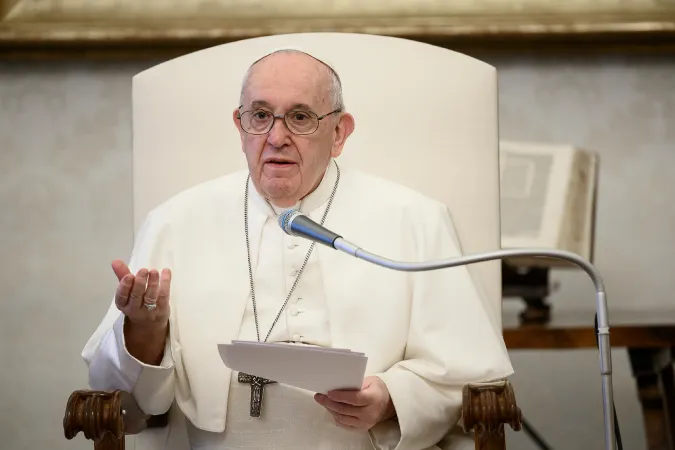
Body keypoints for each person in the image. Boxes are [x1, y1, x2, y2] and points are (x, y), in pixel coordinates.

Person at [82, 48, 513, 450]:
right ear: (239, 125)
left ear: (339, 132)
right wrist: (144, 332)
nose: (276, 136)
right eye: (261, 115)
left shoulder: (413, 218)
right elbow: (120, 396)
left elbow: (467, 372)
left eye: (301, 117)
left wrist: (391, 397)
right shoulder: (175, 221)